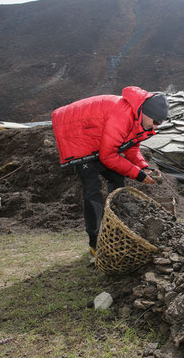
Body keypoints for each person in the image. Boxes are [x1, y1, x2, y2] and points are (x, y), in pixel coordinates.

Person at [51, 86, 169, 256]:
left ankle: (114, 229)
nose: (155, 126)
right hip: (76, 137)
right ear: (145, 112)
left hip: (97, 140)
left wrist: (144, 167)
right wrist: (138, 175)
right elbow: (108, 156)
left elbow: (131, 148)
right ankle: (96, 243)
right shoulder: (122, 115)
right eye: (155, 122)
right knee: (92, 190)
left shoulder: (138, 117)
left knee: (117, 179)